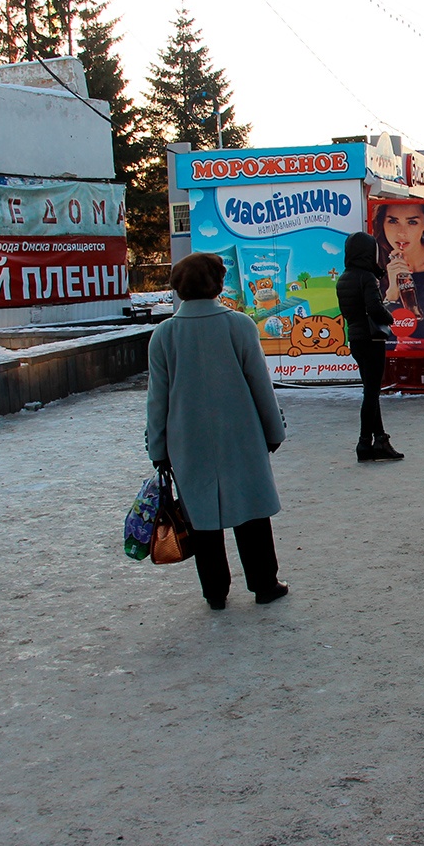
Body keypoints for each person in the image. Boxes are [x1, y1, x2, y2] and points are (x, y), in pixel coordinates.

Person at [146, 252, 289, 610]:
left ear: (177, 288)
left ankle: (215, 592)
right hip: (241, 433)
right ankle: (264, 583)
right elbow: (260, 384)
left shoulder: (163, 335)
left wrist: (158, 448)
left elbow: (157, 399)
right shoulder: (238, 325)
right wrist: (273, 431)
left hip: (187, 439)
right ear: (218, 284)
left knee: (202, 518)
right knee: (251, 511)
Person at [336, 231, 402, 463]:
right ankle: (365, 442)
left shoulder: (344, 277)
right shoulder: (366, 277)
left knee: (370, 390)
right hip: (372, 339)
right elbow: (374, 308)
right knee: (371, 393)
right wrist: (390, 317)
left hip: (355, 338)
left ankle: (380, 439)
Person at [374, 202, 424, 341]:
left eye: (412, 222)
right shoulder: (377, 264)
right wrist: (392, 291)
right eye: (393, 221)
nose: (401, 232)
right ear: (382, 224)